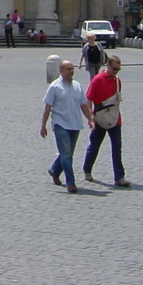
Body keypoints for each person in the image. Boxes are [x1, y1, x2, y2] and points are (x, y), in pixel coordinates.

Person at [40, 59, 93, 193]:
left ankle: (54, 170)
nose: (71, 72)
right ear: (61, 71)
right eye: (68, 69)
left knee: (67, 153)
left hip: (75, 124)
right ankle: (71, 183)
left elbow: (83, 105)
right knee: (66, 154)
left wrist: (90, 119)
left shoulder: (77, 86)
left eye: (72, 69)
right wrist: (43, 126)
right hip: (60, 124)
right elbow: (47, 107)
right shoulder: (54, 87)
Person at [83, 55, 130, 186]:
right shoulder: (97, 80)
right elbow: (89, 98)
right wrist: (90, 117)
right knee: (94, 145)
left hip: (115, 118)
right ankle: (87, 170)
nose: (116, 71)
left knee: (117, 147)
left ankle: (119, 177)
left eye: (118, 69)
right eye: (114, 69)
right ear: (107, 66)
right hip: (99, 117)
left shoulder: (117, 81)